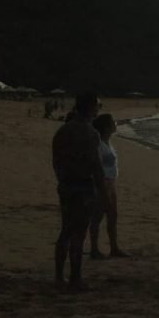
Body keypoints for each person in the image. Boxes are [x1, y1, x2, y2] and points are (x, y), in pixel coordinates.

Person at [52, 92, 105, 290]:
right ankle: (75, 277)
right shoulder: (90, 133)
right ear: (91, 108)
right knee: (79, 233)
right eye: (98, 105)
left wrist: (62, 179)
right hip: (83, 186)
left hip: (66, 184)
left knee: (65, 230)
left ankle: (59, 276)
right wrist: (102, 192)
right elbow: (96, 165)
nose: (99, 108)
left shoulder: (63, 130)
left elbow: (56, 160)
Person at [89, 113, 128, 259]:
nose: (115, 124)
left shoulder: (107, 142)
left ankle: (114, 247)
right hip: (102, 183)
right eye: (113, 122)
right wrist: (101, 188)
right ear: (106, 127)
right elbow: (97, 166)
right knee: (98, 217)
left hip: (111, 183)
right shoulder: (99, 143)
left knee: (112, 216)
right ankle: (94, 249)